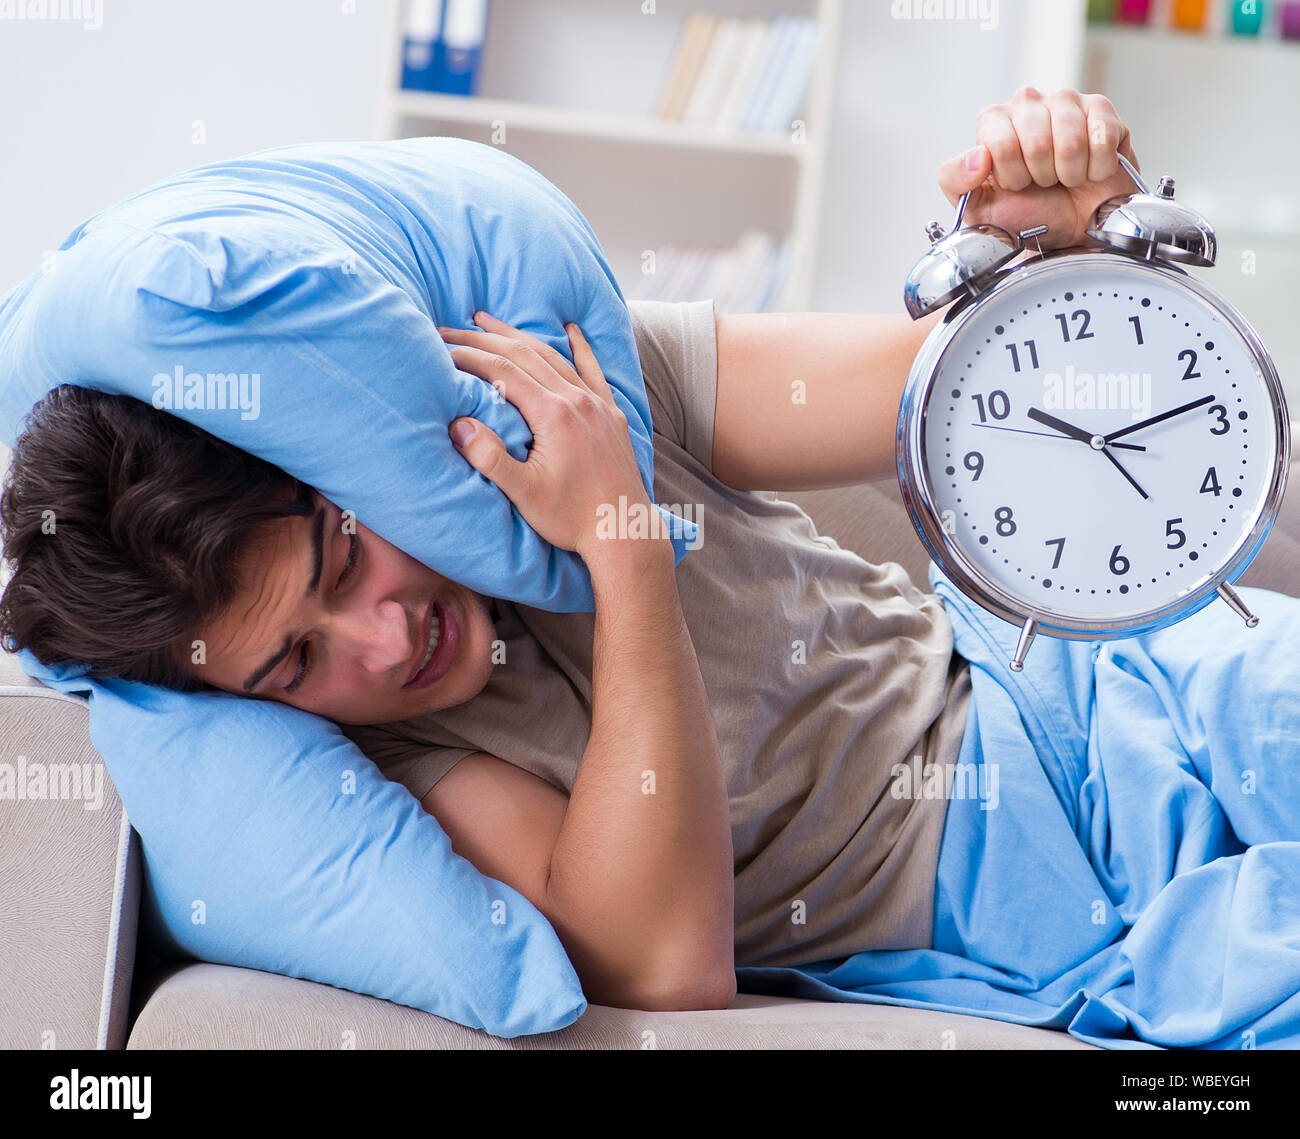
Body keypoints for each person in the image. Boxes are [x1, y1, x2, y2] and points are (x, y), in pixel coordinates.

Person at [8, 88, 1293, 1044]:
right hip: (1012, 897)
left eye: (347, 554)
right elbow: (670, 969)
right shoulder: (395, 755)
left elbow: (978, 410)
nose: (382, 640)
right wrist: (622, 552)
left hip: (1092, 691)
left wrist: (1063, 257)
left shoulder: (575, 381)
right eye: (294, 656)